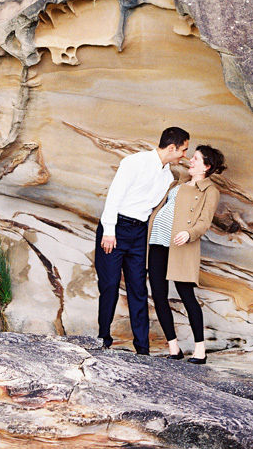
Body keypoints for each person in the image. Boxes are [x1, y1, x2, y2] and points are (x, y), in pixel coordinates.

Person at [95, 126, 190, 354]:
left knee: (138, 288)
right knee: (109, 286)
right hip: (115, 228)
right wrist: (109, 230)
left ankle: (142, 348)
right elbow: (114, 194)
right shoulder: (134, 162)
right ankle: (103, 338)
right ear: (171, 147)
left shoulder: (167, 175)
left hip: (139, 234)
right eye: (183, 150)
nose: (184, 155)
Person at [148, 144, 225, 364]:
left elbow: (204, 222)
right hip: (157, 242)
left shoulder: (210, 191)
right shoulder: (177, 184)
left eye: (196, 159)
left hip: (181, 245)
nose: (191, 160)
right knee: (159, 294)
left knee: (187, 295)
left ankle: (200, 349)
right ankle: (174, 347)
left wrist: (189, 233)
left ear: (207, 166)